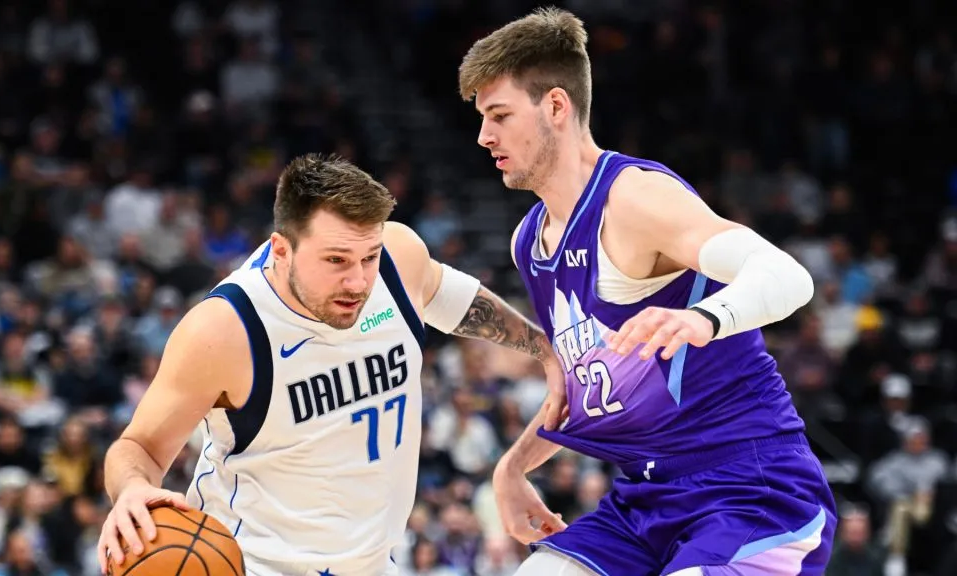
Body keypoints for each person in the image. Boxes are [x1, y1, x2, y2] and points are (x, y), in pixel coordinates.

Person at [459, 8, 837, 575]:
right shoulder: (529, 242)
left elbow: (788, 275)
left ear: (556, 107)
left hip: (747, 490)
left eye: (500, 115)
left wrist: (705, 318)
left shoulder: (634, 199)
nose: (485, 135)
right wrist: (513, 467)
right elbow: (579, 393)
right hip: (644, 501)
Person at [96, 154, 565, 576]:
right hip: (257, 564)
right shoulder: (225, 330)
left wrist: (545, 349)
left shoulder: (397, 258)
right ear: (281, 249)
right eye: (337, 260)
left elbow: (451, 297)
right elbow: (139, 447)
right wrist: (132, 489)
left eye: (368, 256)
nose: (359, 280)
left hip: (374, 563)